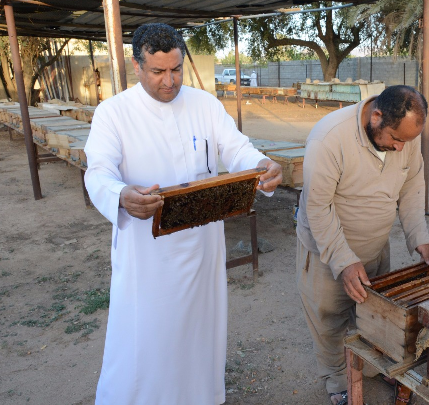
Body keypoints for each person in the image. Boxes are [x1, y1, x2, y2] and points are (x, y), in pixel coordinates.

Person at [84, 23, 282, 404]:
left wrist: (261, 164)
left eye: (175, 69)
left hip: (203, 248)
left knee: (199, 336)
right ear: (136, 65)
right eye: (158, 71)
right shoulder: (113, 113)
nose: (169, 81)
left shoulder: (204, 103)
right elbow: (99, 172)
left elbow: (235, 147)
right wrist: (121, 194)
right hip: (148, 255)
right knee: (145, 341)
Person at [296, 85, 429, 404]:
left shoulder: (404, 138)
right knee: (329, 320)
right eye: (396, 139)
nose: (402, 148)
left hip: (375, 248)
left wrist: (420, 237)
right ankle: (337, 383)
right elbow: (317, 208)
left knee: (373, 317)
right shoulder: (329, 137)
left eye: (407, 141)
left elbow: (413, 183)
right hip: (327, 249)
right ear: (376, 116)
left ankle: (372, 367)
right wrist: (344, 261)